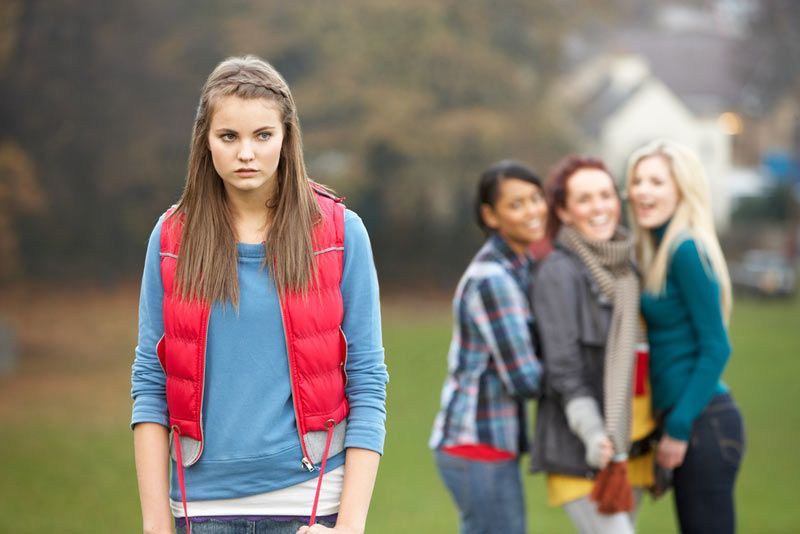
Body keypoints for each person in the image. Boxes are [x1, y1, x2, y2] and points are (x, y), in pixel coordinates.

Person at [130, 55, 388, 534]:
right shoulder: (170, 239)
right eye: (229, 136)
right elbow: (151, 382)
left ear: (287, 137)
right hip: (200, 510)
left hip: (313, 508)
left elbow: (368, 378)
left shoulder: (339, 233)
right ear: (205, 142)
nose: (246, 152)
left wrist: (349, 527)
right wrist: (155, 523)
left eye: (262, 135)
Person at [530, 155, 656, 534]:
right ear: (564, 213)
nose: (599, 207)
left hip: (633, 447)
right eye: (584, 199)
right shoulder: (558, 272)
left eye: (605, 195)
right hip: (587, 448)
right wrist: (592, 432)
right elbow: (562, 368)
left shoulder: (628, 267)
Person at [626, 139, 744, 534]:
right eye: (638, 181)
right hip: (687, 419)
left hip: (703, 423)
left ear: (682, 188)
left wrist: (677, 428)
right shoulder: (657, 248)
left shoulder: (685, 249)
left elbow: (716, 346)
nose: (643, 191)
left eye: (657, 182)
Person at [429, 160, 546, 534]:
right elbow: (525, 379)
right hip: (477, 445)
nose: (531, 211)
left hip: (488, 445)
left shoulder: (520, 267)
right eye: (516, 204)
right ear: (490, 216)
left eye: (535, 198)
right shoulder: (493, 278)